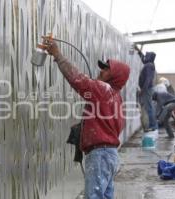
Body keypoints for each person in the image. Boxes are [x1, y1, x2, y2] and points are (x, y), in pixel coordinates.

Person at [42, 36, 130, 199]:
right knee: (105, 195)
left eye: (106, 69)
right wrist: (88, 127)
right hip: (110, 155)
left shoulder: (103, 89)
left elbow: (78, 80)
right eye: (102, 68)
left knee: (94, 196)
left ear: (115, 76)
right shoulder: (117, 97)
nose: (101, 71)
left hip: (100, 155)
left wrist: (58, 55)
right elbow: (116, 125)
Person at [138, 51, 158, 131]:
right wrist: (140, 53)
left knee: (149, 108)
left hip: (147, 89)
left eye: (147, 56)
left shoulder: (149, 65)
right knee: (149, 107)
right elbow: (144, 60)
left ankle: (153, 125)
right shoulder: (149, 64)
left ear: (150, 57)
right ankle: (153, 125)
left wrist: (143, 89)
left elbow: (148, 79)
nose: (145, 57)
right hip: (148, 89)